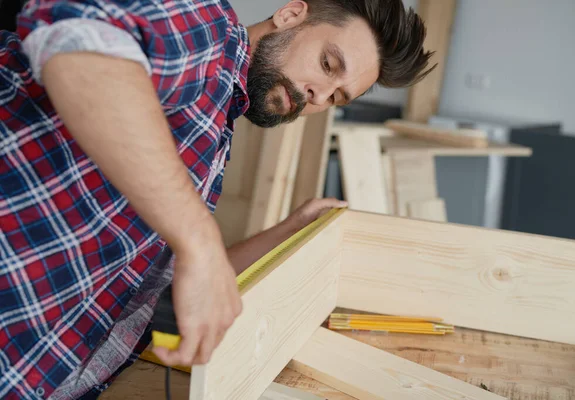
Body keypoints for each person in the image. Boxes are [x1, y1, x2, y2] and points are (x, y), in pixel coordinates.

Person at [0, 0, 433, 398]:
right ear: (290, 15)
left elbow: (170, 289)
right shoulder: (206, 27)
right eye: (327, 64)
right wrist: (199, 240)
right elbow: (78, 42)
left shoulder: (214, 128)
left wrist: (288, 232)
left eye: (336, 97)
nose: (319, 95)